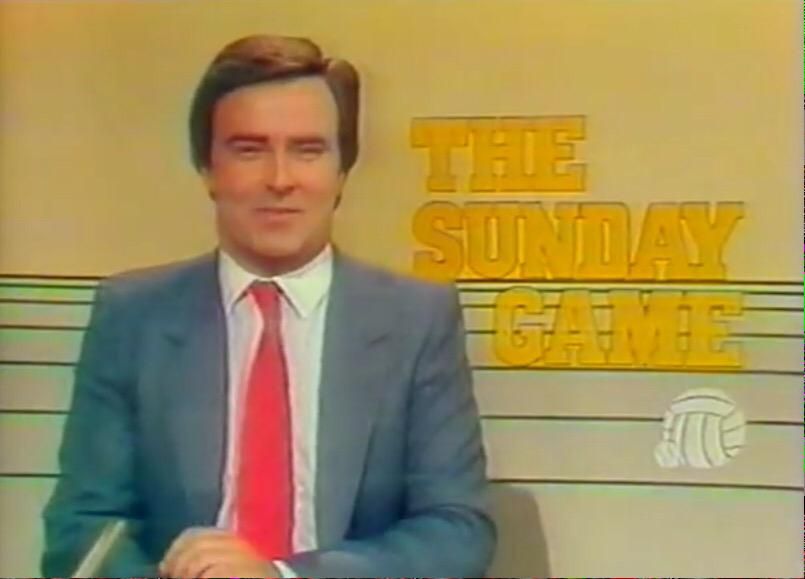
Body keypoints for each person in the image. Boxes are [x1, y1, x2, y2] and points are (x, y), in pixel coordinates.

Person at [41, 34, 495, 578]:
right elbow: (82, 530)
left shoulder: (416, 320)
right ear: (208, 169)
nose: (280, 180)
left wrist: (282, 576)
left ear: (342, 173)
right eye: (249, 150)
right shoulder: (133, 316)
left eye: (308, 150)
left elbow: (457, 531)